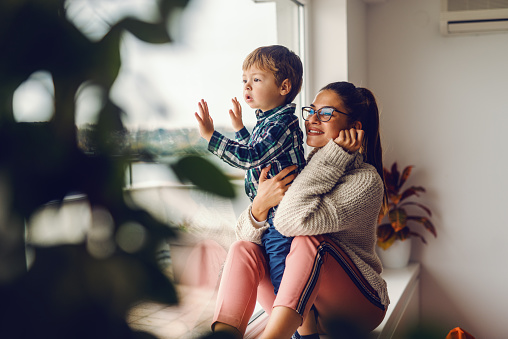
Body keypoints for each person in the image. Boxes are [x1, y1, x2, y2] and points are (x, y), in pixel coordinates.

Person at [211, 81, 390, 339]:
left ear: (354, 128)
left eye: (326, 113)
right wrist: (260, 205)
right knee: (243, 249)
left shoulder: (365, 180)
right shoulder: (308, 172)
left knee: (310, 242)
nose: (313, 120)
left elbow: (289, 221)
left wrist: (333, 154)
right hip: (305, 310)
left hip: (358, 307)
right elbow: (244, 236)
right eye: (312, 110)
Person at [194, 45, 306, 295]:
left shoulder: (281, 124)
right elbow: (260, 152)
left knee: (283, 282)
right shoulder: (269, 120)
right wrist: (240, 129)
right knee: (273, 273)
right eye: (245, 80)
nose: (247, 86)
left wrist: (212, 137)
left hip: (281, 220)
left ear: (284, 87)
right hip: (272, 214)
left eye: (256, 79)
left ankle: (297, 330)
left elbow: (252, 157)